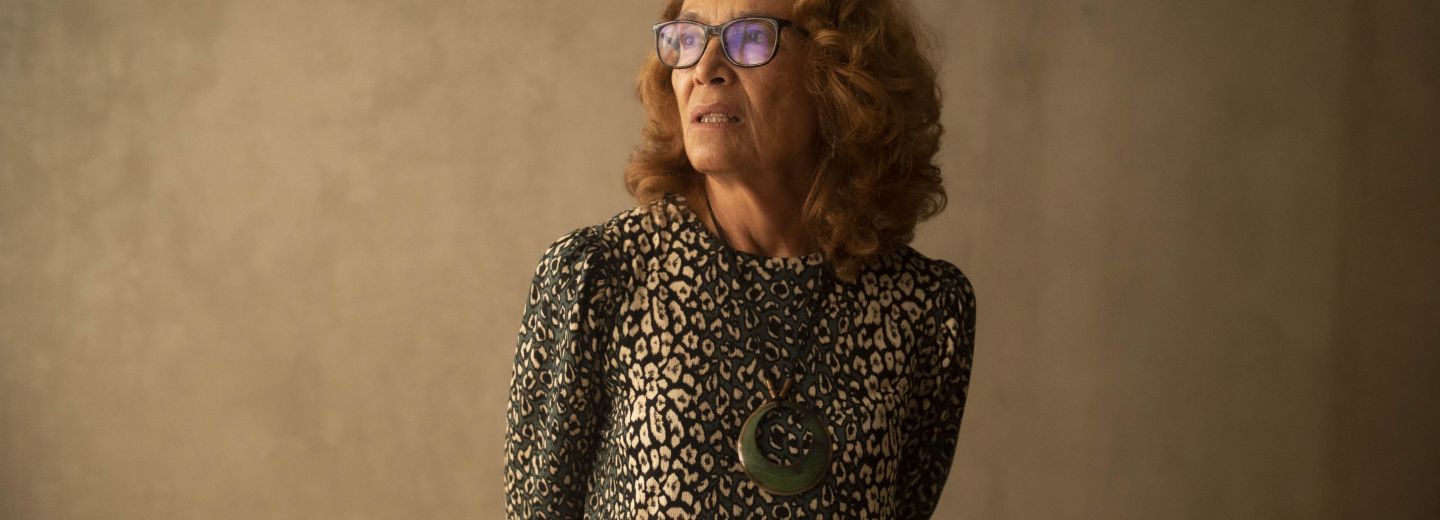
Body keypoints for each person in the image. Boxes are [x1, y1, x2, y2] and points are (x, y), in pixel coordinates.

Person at [504, 0, 976, 517]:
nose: (705, 68)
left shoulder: (926, 309)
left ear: (841, 74)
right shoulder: (598, 275)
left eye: (750, 38)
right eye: (688, 39)